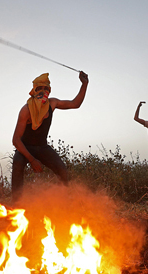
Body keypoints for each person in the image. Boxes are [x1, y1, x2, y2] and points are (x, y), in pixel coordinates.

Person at [11, 71, 89, 201]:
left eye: (45, 88)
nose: (42, 91)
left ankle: (61, 202)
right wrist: (32, 160)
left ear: (50, 90)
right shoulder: (26, 110)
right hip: (25, 147)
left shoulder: (52, 104)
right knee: (18, 163)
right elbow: (16, 140)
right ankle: (17, 205)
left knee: (62, 170)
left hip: (42, 147)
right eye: (39, 88)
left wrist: (84, 84)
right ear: (34, 90)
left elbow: (75, 104)